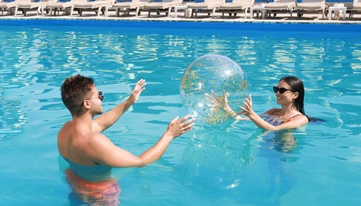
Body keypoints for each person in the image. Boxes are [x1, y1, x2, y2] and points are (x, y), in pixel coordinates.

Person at [58, 74, 194, 203]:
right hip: (100, 197)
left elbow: (99, 124)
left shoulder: (65, 131)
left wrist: (129, 102)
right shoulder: (94, 142)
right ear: (87, 104)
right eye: (99, 95)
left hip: (76, 187)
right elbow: (141, 161)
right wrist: (169, 135)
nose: (101, 98)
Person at [208, 76, 309, 131]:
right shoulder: (273, 112)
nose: (277, 93)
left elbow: (274, 129)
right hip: (266, 145)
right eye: (276, 89)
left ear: (295, 95)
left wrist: (251, 114)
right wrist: (225, 107)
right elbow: (240, 119)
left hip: (284, 150)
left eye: (282, 90)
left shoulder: (300, 119)